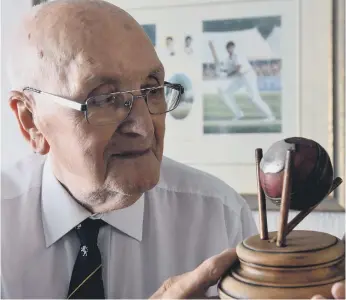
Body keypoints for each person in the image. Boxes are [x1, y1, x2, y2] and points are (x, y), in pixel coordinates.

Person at [1, 1, 344, 299]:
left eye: (152, 89)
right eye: (105, 98)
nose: (144, 126)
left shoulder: (217, 215)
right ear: (31, 120)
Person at [217, 41, 276, 122]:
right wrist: (222, 73)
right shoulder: (228, 58)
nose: (230, 49)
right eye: (228, 48)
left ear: (234, 47)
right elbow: (226, 70)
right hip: (240, 77)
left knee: (254, 98)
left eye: (231, 47)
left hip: (248, 75)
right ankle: (238, 114)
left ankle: (271, 116)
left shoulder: (238, 55)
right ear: (227, 49)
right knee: (227, 93)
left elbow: (237, 68)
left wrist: (227, 75)